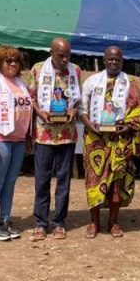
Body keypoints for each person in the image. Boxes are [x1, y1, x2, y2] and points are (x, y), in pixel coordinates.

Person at [79, 46, 140, 238]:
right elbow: (82, 108)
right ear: (104, 60)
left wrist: (129, 126)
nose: (114, 62)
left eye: (118, 60)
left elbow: (138, 109)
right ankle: (94, 223)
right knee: (94, 181)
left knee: (117, 181)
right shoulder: (91, 81)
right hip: (95, 141)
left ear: (122, 61)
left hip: (120, 141)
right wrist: (89, 124)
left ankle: (114, 222)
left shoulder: (130, 83)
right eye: (110, 59)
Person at [28, 37, 82, 241]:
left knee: (63, 180)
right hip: (44, 134)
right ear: (51, 52)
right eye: (61, 55)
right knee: (42, 180)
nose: (65, 59)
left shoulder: (75, 70)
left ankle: (59, 221)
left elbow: (77, 99)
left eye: (68, 55)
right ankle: (41, 222)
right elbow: (32, 97)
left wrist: (73, 112)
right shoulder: (38, 69)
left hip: (67, 135)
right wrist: (40, 113)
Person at [0, 46, 33, 241]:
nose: (12, 64)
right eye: (7, 60)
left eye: (15, 60)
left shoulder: (21, 84)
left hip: (17, 141)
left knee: (9, 183)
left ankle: (5, 220)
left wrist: (27, 137)